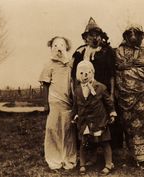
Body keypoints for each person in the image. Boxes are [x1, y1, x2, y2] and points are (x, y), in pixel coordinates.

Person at [71, 17, 123, 158]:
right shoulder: (80, 53)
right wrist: (78, 94)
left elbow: (112, 74)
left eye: (97, 35)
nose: (94, 38)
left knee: (106, 122)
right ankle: (90, 153)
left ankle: (110, 154)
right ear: (85, 38)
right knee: (87, 121)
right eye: (90, 35)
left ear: (101, 37)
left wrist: (112, 94)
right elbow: (75, 76)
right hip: (86, 93)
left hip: (103, 92)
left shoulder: (108, 52)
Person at [114, 25, 144, 169]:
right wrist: (132, 67)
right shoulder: (120, 50)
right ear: (126, 36)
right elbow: (118, 68)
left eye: (137, 34)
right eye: (130, 34)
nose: (133, 37)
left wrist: (129, 68)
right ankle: (135, 155)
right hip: (126, 95)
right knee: (130, 127)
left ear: (142, 35)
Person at [72, 60, 117, 175]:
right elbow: (76, 105)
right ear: (78, 75)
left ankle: (108, 164)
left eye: (87, 73)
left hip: (99, 120)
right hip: (84, 120)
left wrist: (112, 113)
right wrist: (75, 115)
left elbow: (108, 102)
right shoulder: (77, 90)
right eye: (81, 73)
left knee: (104, 142)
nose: (84, 76)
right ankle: (82, 164)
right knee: (84, 142)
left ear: (92, 73)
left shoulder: (100, 87)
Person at [39, 36, 77, 171]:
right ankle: (54, 158)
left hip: (68, 101)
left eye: (61, 45)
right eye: (55, 46)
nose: (58, 49)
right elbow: (45, 84)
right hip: (54, 101)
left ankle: (68, 158)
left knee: (68, 130)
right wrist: (45, 104)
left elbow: (74, 82)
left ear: (66, 47)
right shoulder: (49, 64)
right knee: (53, 129)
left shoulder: (70, 64)